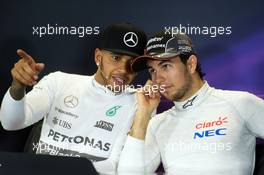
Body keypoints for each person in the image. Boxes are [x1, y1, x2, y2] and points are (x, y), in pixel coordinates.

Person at [0, 23, 147, 174]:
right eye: (116, 58)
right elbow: (11, 122)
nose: (123, 70)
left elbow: (129, 170)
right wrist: (18, 86)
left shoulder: (141, 103)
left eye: (132, 63)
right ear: (98, 57)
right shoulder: (59, 82)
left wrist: (144, 113)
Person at [117, 32, 264, 175]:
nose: (158, 79)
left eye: (166, 66)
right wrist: (143, 115)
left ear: (191, 64)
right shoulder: (157, 123)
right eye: (152, 70)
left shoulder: (241, 104)